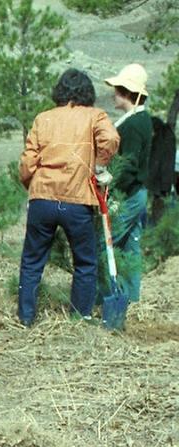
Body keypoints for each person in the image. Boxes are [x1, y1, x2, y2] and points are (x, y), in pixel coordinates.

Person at [17, 69, 120, 327]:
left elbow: (28, 161)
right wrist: (99, 166)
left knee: (32, 261)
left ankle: (26, 317)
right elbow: (110, 138)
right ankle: (80, 317)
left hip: (43, 198)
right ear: (88, 92)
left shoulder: (44, 118)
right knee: (85, 261)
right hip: (78, 199)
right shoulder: (95, 116)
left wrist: (34, 185)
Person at [104, 64, 152, 302]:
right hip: (138, 193)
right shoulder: (142, 119)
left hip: (128, 194)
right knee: (131, 246)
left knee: (107, 245)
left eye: (118, 89)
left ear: (127, 92)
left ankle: (105, 297)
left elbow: (128, 166)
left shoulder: (132, 125)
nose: (114, 94)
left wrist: (112, 192)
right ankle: (131, 298)